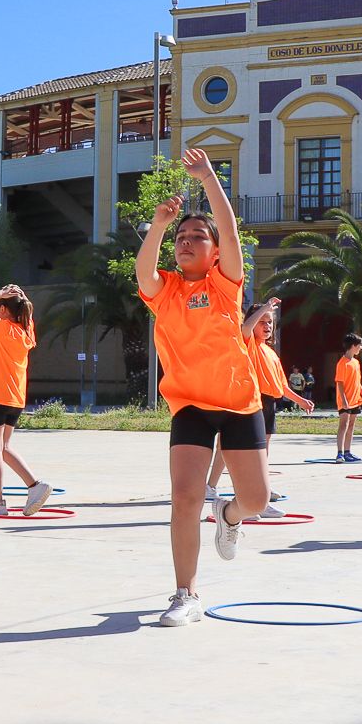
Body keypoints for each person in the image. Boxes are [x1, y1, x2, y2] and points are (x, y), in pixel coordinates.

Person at [137, 149, 269, 626]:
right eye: (181, 237)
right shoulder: (165, 289)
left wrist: (209, 177)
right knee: (184, 496)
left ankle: (230, 517)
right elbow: (143, 271)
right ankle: (185, 594)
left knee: (257, 500)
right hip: (190, 403)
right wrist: (158, 223)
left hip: (237, 401)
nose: (187, 242)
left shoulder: (225, 285)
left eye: (198, 237)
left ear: (215, 252)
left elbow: (231, 230)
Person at [205, 298, 311, 513]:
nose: (267, 326)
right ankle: (249, 496)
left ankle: (261, 489)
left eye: (270, 322)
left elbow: (280, 385)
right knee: (240, 451)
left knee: (263, 451)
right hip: (252, 401)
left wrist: (300, 400)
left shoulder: (270, 352)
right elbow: (245, 328)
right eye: (262, 321)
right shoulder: (247, 344)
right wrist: (264, 308)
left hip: (269, 403)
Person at [0, 284, 48, 516]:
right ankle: (35, 486)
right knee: (3, 448)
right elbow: (26, 313)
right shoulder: (26, 331)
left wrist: (0, 294)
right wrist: (19, 297)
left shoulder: (2, 328)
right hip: (15, 399)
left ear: (4, 309)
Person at [333, 334, 362, 463]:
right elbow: (339, 383)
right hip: (345, 400)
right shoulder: (342, 363)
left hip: (355, 399)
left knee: (351, 425)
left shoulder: (356, 362)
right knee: (344, 425)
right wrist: (344, 400)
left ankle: (348, 452)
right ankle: (340, 453)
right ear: (353, 346)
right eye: (359, 345)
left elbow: (357, 381)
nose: (361, 348)